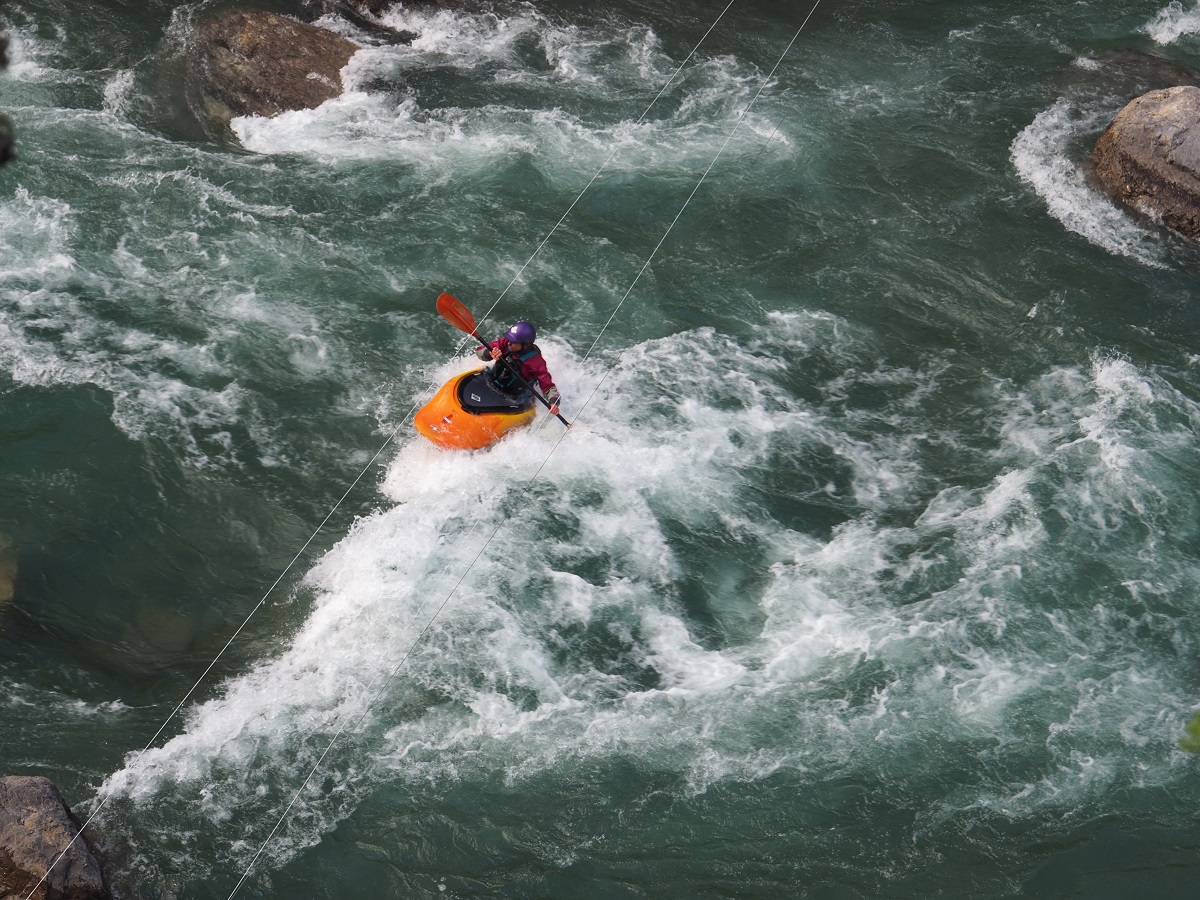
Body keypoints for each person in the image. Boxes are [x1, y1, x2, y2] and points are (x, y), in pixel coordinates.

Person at [475, 320, 561, 416]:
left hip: (513, 396)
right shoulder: (505, 342)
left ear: (526, 345)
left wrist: (554, 402)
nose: (509, 343)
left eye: (513, 342)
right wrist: (489, 353)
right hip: (491, 380)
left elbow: (548, 386)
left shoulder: (536, 362)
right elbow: (479, 351)